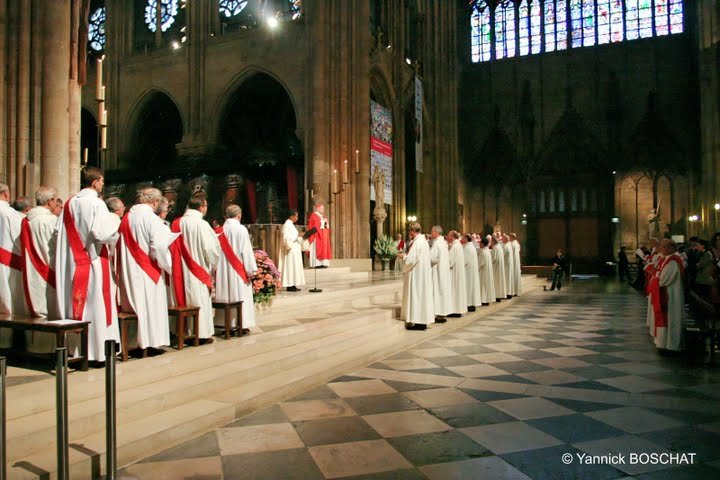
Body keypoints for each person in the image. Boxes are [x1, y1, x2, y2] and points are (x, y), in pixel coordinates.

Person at [55, 167, 121, 362]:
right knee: (96, 306)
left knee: (80, 306)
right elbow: (101, 234)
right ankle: (97, 352)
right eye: (101, 181)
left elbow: (57, 232)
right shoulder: (97, 204)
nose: (102, 184)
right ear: (94, 183)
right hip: (91, 262)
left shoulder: (69, 204)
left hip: (72, 263)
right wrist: (115, 223)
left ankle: (77, 351)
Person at [116, 188, 174, 351]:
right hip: (147, 271)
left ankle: (134, 342)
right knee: (150, 305)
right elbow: (158, 247)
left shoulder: (127, 217)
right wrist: (168, 265)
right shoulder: (152, 219)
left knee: (134, 306)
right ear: (155, 201)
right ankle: (150, 343)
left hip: (129, 268)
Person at [168, 196, 220, 344]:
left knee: (182, 298)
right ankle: (200, 333)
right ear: (202, 207)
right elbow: (211, 249)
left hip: (179, 268)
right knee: (199, 300)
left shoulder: (176, 223)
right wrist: (213, 264)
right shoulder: (202, 224)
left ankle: (181, 332)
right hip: (197, 268)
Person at [20, 186, 62, 353]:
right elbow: (58, 246)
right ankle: (49, 350)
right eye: (54, 200)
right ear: (50, 201)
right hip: (47, 269)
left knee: (35, 309)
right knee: (48, 310)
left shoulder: (26, 219)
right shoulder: (50, 220)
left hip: (30, 270)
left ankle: (33, 348)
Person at [214, 205, 257, 334]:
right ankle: (241, 324)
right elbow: (246, 252)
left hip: (222, 271)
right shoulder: (241, 229)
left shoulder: (218, 231)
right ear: (239, 215)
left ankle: (223, 323)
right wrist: (251, 271)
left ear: (225, 216)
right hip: (238, 271)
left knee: (224, 295)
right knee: (240, 295)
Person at [0, 182, 26, 347]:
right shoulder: (11, 214)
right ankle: (7, 343)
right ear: (6, 194)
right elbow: (21, 240)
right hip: (7, 264)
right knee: (9, 302)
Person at [650, 239, 684, 352]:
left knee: (671, 320)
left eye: (664, 247)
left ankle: (671, 346)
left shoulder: (673, 262)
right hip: (666, 293)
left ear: (671, 248)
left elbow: (663, 279)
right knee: (667, 319)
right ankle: (665, 344)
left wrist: (655, 279)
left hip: (671, 296)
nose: (661, 249)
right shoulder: (668, 259)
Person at [398, 222, 434, 330]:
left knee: (417, 296)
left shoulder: (417, 243)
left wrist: (402, 257)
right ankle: (422, 321)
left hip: (417, 275)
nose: (409, 233)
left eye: (410, 231)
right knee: (421, 297)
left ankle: (418, 322)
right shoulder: (423, 241)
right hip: (422, 274)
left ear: (413, 231)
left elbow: (411, 260)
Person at [278, 209, 305, 292]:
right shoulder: (287, 225)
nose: (297, 218)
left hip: (295, 250)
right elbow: (286, 238)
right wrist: (298, 236)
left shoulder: (291, 225)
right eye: (296, 216)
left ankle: (293, 284)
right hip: (290, 251)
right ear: (292, 216)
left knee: (294, 267)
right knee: (291, 267)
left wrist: (302, 237)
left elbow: (295, 237)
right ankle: (290, 285)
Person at [428, 225, 450, 322]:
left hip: (437, 271)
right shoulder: (444, 242)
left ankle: (438, 314)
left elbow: (431, 258)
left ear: (436, 233)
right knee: (442, 292)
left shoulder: (437, 243)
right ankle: (442, 314)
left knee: (437, 291)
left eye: (432, 231)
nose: (431, 233)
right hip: (443, 271)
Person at [447, 230, 467, 317]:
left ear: (452, 237)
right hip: (458, 272)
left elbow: (450, 261)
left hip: (454, 272)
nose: (447, 237)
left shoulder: (455, 246)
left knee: (454, 290)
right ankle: (458, 309)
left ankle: (454, 310)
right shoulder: (458, 245)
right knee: (457, 290)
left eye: (448, 235)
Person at [307, 201, 331, 268]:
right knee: (317, 249)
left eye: (323, 209)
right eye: (321, 209)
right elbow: (315, 226)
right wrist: (323, 222)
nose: (323, 210)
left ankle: (323, 263)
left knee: (324, 249)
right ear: (317, 209)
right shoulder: (314, 215)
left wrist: (325, 222)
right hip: (316, 236)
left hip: (323, 236)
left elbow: (325, 227)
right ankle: (317, 264)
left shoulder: (322, 216)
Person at [462, 234, 482, 311]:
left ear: (466, 238)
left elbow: (464, 260)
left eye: (463, 237)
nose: (462, 239)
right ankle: (472, 304)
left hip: (468, 271)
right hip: (471, 270)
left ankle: (469, 304)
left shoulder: (467, 248)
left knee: (469, 287)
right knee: (471, 287)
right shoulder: (471, 246)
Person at [478, 237, 495, 305]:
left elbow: (480, 263)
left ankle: (484, 300)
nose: (479, 244)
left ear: (482, 244)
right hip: (488, 271)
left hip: (483, 271)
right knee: (487, 285)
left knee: (483, 285)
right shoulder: (488, 251)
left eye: (480, 243)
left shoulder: (483, 252)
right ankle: (487, 299)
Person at [490, 234, 506, 301]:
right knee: (499, 281)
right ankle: (499, 295)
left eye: (491, 241)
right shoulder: (499, 247)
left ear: (493, 241)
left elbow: (493, 258)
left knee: (496, 281)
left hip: (495, 267)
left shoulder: (495, 248)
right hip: (499, 267)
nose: (490, 242)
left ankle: (497, 295)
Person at [503, 234, 515, 299]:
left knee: (507, 279)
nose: (501, 240)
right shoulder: (509, 245)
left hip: (506, 266)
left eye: (503, 239)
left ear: (505, 239)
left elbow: (502, 255)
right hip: (508, 265)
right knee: (508, 279)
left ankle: (507, 293)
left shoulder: (505, 246)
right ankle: (509, 293)